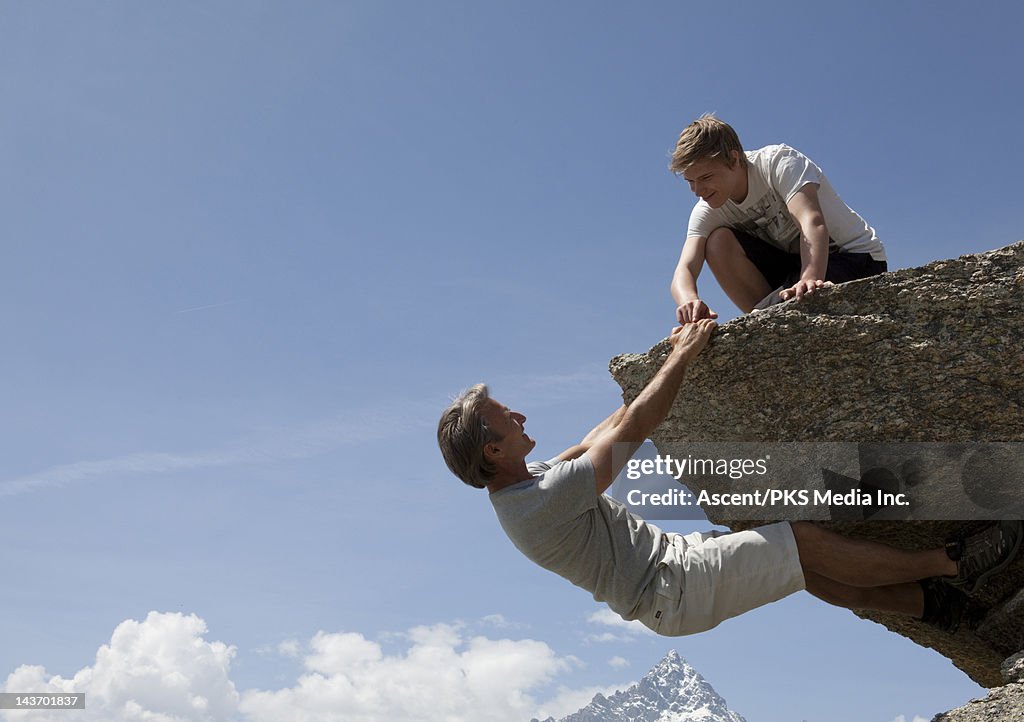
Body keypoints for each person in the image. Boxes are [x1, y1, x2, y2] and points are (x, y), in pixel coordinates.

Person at [437, 320, 1022, 636]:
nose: (519, 416)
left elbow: (602, 434)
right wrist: (682, 357)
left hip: (674, 576)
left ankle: (939, 609)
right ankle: (955, 562)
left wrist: (658, 363)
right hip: (672, 585)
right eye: (505, 419)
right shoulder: (538, 503)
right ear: (492, 451)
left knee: (808, 572)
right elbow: (635, 429)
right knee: (804, 539)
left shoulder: (527, 483)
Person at [669, 115, 888, 323]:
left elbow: (811, 221)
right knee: (717, 242)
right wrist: (689, 300)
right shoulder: (707, 207)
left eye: (706, 177)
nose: (698, 190)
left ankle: (766, 315)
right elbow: (685, 268)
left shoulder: (778, 162)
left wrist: (810, 278)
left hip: (853, 257)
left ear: (734, 160)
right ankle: (766, 316)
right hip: (793, 268)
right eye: (690, 181)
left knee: (794, 296)